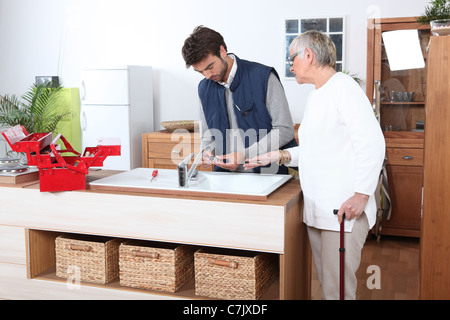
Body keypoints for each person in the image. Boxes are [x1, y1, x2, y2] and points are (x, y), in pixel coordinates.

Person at [244, 30, 385, 299]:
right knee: (327, 284)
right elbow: (316, 150)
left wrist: (361, 194)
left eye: (292, 59)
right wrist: (281, 156)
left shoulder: (343, 87)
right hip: (319, 209)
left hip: (343, 211)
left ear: (308, 55)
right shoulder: (317, 95)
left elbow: (373, 143)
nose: (290, 65)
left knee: (337, 290)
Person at [181, 26, 297, 173]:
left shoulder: (263, 77)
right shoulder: (204, 88)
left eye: (210, 67)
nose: (207, 76)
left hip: (268, 175)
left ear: (222, 51)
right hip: (224, 178)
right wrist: (206, 151)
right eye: (200, 71)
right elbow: (207, 135)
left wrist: (244, 155)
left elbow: (285, 130)